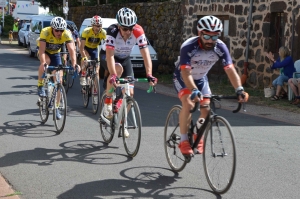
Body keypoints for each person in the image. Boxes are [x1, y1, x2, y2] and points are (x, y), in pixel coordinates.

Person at [173, 15, 249, 156]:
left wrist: (239, 89)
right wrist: (193, 90)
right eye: (207, 36)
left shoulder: (220, 47)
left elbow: (230, 69)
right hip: (183, 78)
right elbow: (185, 71)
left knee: (206, 109)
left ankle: (197, 135)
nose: (210, 41)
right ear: (199, 33)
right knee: (188, 104)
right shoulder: (189, 46)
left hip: (201, 79)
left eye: (214, 37)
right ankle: (183, 141)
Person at [102, 7, 157, 122]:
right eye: (125, 29)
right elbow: (110, 55)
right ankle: (108, 100)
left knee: (130, 93)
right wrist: (113, 75)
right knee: (117, 70)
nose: (128, 32)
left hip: (125, 58)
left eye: (130, 28)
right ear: (119, 26)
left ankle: (122, 122)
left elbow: (146, 54)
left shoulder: (138, 30)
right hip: (108, 55)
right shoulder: (112, 31)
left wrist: (149, 74)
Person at [37, 17, 79, 119]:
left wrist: (74, 64)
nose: (59, 33)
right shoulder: (45, 32)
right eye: (57, 30)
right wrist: (43, 63)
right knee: (46, 62)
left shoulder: (66, 34)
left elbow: (72, 51)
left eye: (61, 30)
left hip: (55, 54)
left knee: (59, 80)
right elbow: (41, 51)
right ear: (52, 28)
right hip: (45, 53)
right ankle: (40, 85)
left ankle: (56, 107)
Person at [79, 15, 106, 92]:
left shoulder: (103, 32)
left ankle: (95, 91)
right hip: (85, 48)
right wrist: (84, 57)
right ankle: (83, 76)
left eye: (100, 26)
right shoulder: (86, 31)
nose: (98, 28)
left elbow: (108, 45)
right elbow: (81, 48)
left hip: (94, 49)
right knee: (85, 61)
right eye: (96, 26)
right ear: (92, 25)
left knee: (97, 71)